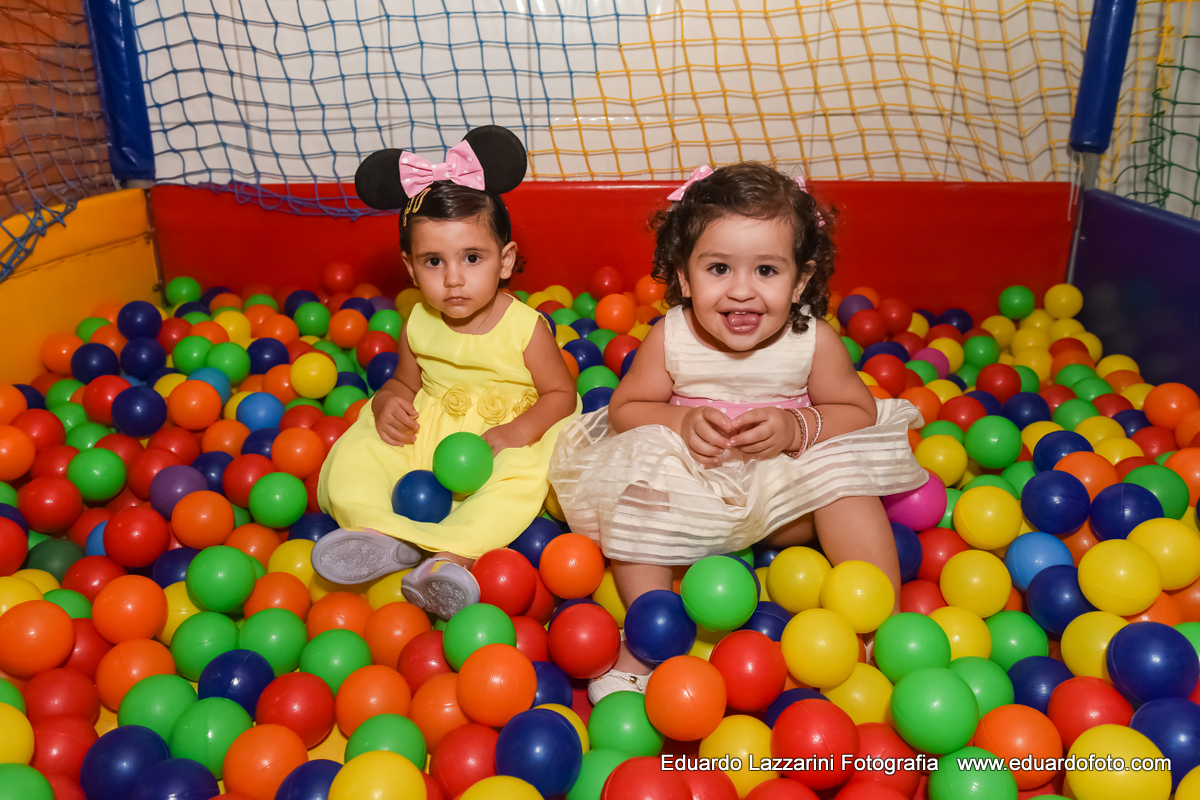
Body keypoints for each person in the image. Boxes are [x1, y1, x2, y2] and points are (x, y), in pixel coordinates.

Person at [548, 162, 928, 702]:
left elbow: (857, 410)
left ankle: (875, 625)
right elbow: (626, 408)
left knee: (844, 469)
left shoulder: (812, 340)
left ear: (801, 280)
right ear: (684, 277)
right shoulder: (671, 336)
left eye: (766, 271)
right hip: (694, 499)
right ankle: (650, 635)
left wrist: (796, 426)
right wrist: (679, 422)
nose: (742, 292)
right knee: (640, 474)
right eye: (719, 268)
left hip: (789, 504)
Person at [314, 126, 580, 619]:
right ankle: (377, 537)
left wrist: (515, 433)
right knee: (360, 452)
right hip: (430, 427)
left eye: (472, 258)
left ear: (505, 261)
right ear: (410, 268)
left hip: (503, 438)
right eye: (434, 261)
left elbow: (561, 395)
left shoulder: (526, 328)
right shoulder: (417, 320)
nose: (453, 279)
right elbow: (403, 382)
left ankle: (448, 560)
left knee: (514, 488)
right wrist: (387, 401)